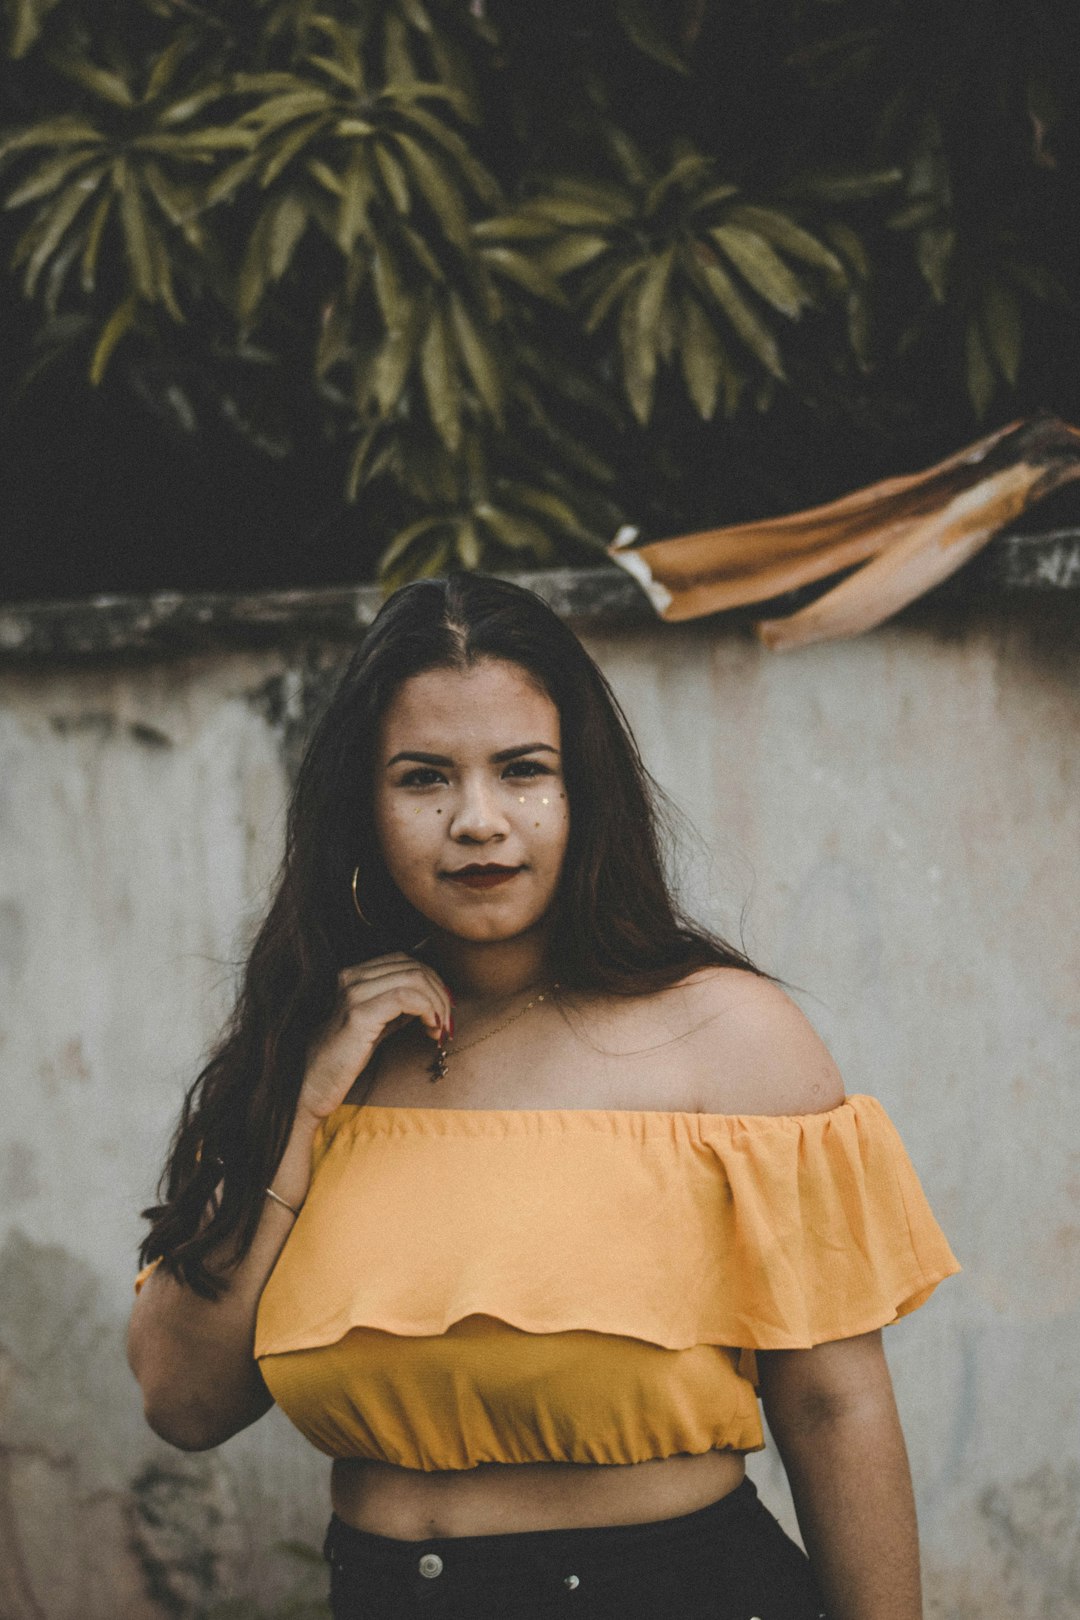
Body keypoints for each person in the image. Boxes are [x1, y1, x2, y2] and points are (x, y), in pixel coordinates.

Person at [127, 572, 959, 1620]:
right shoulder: (307, 1055)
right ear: (361, 806)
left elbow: (835, 1409)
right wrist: (299, 1104)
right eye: (425, 778)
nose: (478, 820)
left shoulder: (732, 1043)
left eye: (523, 770)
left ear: (586, 792)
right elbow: (183, 1401)